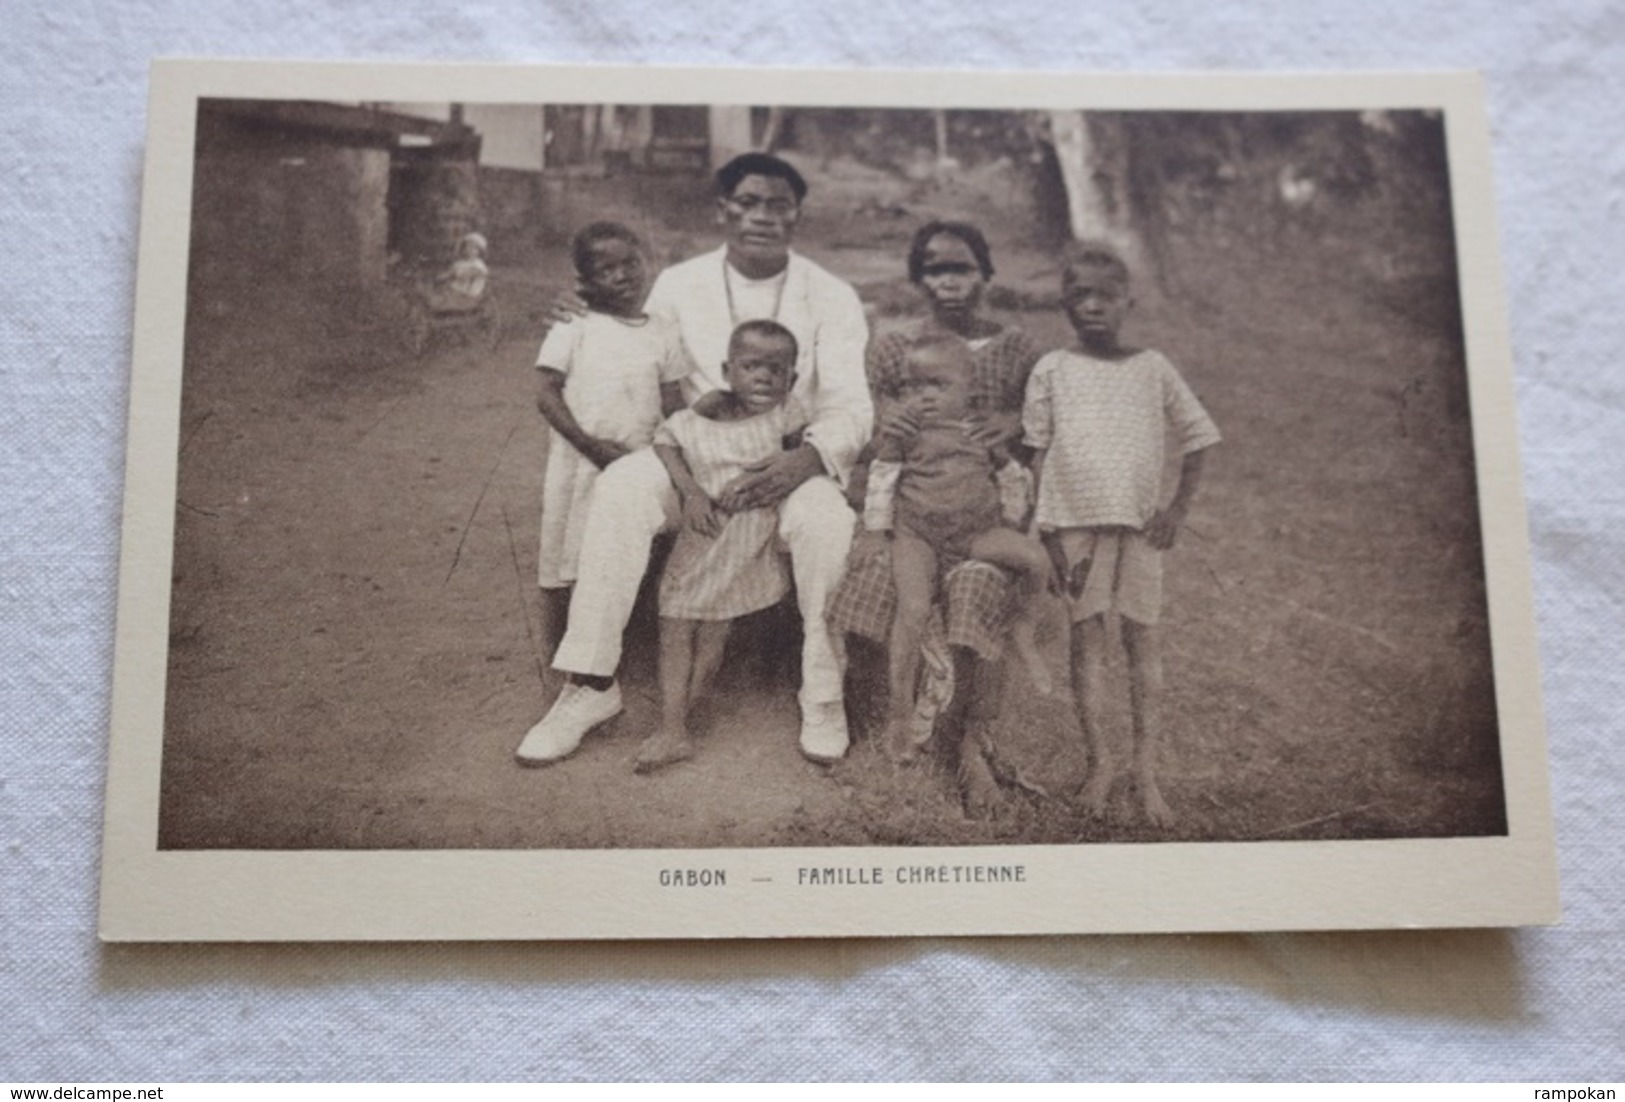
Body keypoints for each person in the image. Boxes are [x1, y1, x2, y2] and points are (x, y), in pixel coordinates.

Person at [516, 152, 871, 766]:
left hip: (785, 462)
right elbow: (635, 333)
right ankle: (591, 685)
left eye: (778, 205)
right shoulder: (680, 284)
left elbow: (850, 405)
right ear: (723, 209)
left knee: (828, 523)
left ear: (797, 215)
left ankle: (822, 693)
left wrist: (808, 461)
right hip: (697, 454)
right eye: (749, 202)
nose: (763, 216)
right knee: (625, 485)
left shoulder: (832, 295)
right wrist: (579, 315)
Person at [825, 221, 1043, 812]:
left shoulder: (1018, 347)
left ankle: (973, 740)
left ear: (986, 272)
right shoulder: (897, 346)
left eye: (963, 267)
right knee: (892, 588)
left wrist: (1017, 427)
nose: (949, 280)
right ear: (919, 277)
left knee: (993, 576)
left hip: (983, 504)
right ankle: (890, 713)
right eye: (935, 269)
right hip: (915, 504)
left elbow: (1044, 427)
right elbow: (875, 428)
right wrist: (887, 430)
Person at [1025, 241, 1221, 826]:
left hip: (1139, 532)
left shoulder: (1152, 367)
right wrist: (1048, 535)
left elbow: (1200, 436)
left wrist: (1176, 511)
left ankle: (1146, 772)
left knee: (1142, 645)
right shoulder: (1052, 369)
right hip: (1073, 531)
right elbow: (1035, 457)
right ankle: (1100, 763)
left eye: (1104, 296)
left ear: (1127, 302)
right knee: (1087, 645)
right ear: (1063, 303)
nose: (1091, 307)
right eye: (1078, 295)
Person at [856, 332, 1054, 763]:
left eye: (937, 384)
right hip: (918, 535)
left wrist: (1011, 521)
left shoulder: (978, 429)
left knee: (1035, 560)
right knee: (911, 611)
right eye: (912, 385)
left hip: (975, 533)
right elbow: (882, 477)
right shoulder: (905, 431)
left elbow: (1012, 478)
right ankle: (899, 716)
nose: (922, 395)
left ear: (969, 389)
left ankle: (1023, 629)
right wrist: (876, 532)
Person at [638, 321, 808, 773]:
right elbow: (665, 442)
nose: (763, 378)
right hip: (705, 531)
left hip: (745, 539)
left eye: (777, 369)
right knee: (675, 618)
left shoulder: (786, 415)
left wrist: (758, 481)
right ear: (727, 370)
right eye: (751, 367)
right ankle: (676, 725)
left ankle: (675, 727)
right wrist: (691, 492)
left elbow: (798, 463)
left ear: (791, 378)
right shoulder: (699, 419)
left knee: (710, 627)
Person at [531, 222, 689, 703]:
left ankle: (623, 653)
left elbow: (673, 401)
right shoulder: (574, 325)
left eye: (630, 264)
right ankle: (563, 672)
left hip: (635, 459)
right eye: (606, 269)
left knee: (630, 555)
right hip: (581, 461)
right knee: (565, 560)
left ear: (647, 263)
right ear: (585, 280)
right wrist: (589, 444)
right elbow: (545, 392)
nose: (622, 276)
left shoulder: (662, 330)